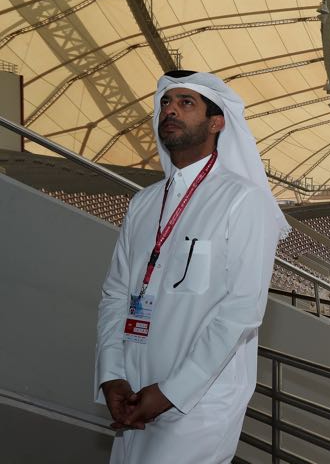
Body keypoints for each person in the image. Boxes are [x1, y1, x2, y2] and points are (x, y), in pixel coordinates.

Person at [95, 70, 291, 463]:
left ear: (217, 123)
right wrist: (111, 375)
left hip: (198, 401)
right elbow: (116, 293)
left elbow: (241, 312)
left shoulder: (243, 200)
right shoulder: (144, 203)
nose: (171, 110)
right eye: (166, 103)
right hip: (134, 393)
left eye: (187, 103)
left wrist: (169, 392)